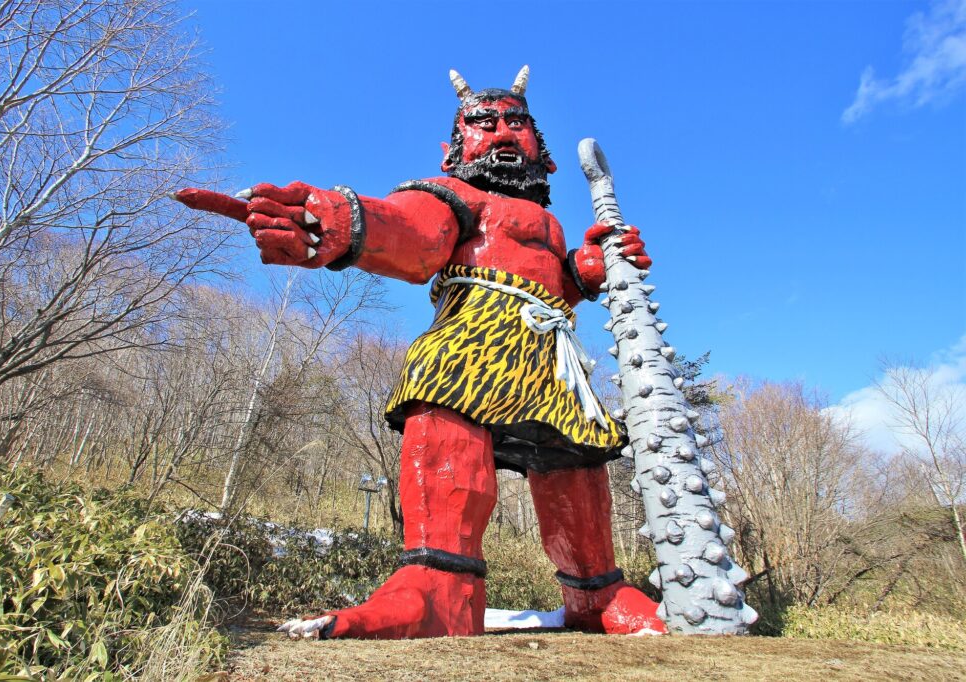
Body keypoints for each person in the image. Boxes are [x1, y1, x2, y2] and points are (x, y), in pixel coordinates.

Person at [173, 66, 666, 639]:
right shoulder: (451, 194)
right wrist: (332, 221)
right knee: (446, 412)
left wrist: (592, 268)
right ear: (454, 146)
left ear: (541, 148)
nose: (503, 133)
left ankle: (596, 593)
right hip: (474, 334)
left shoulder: (554, 224)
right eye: (484, 124)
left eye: (516, 123)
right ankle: (436, 588)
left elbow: (560, 284)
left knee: (576, 459)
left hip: (550, 351)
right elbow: (413, 233)